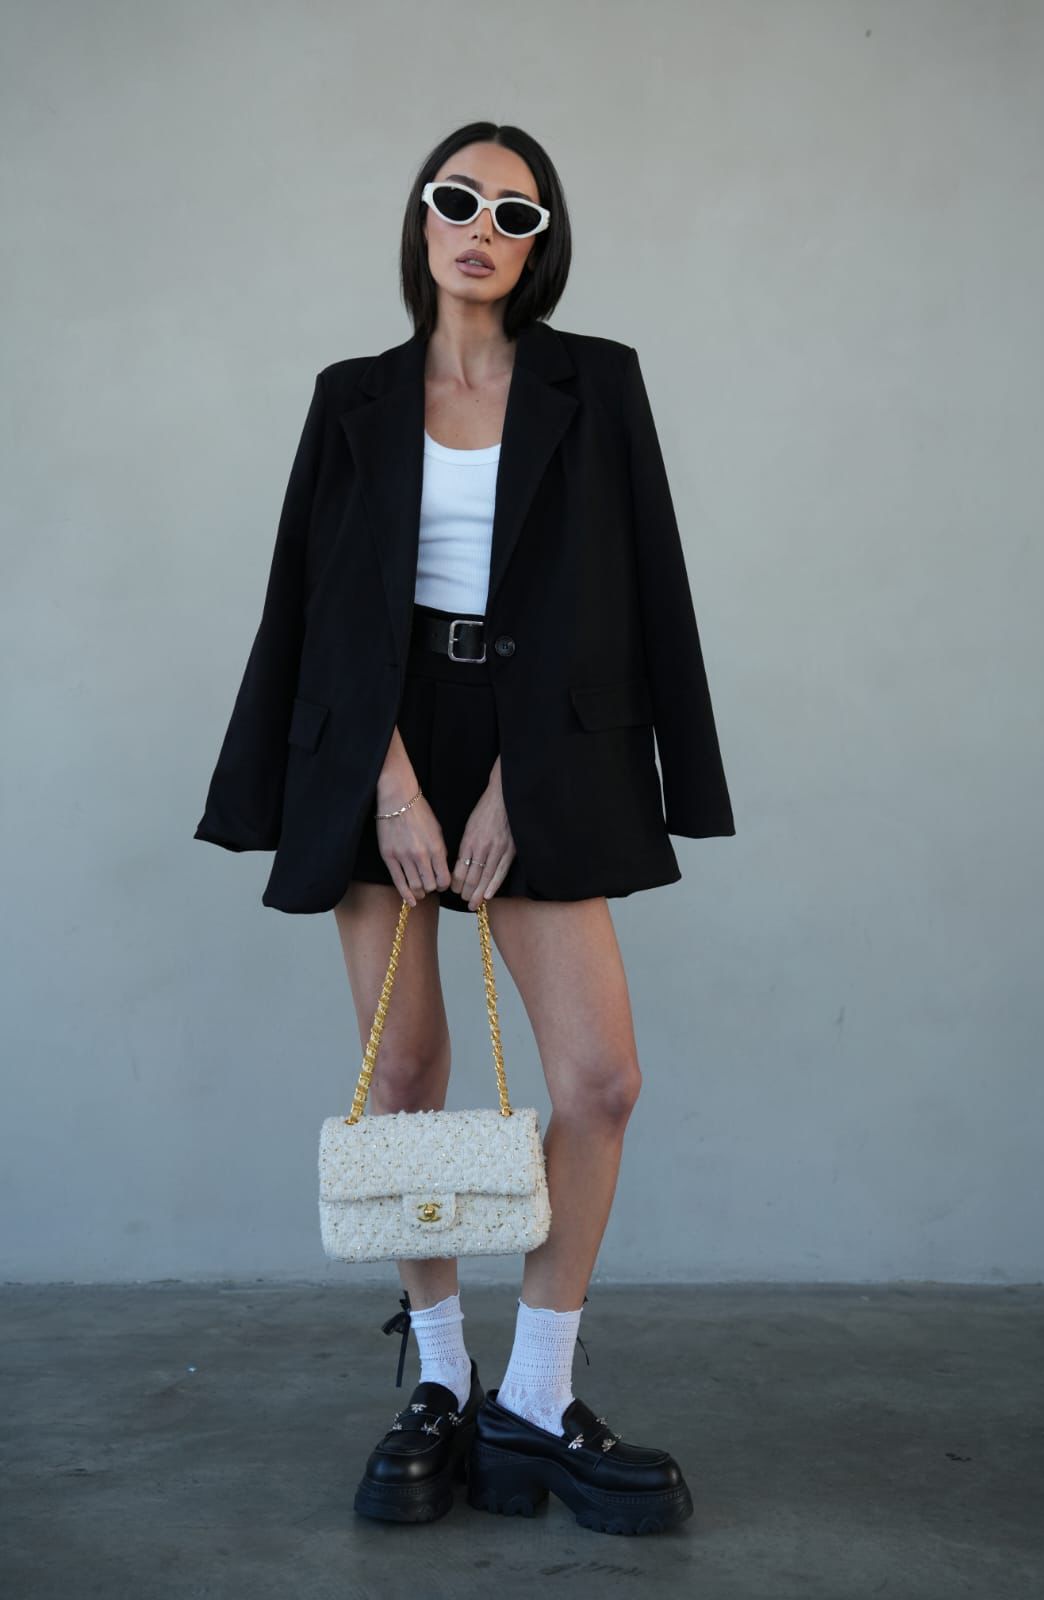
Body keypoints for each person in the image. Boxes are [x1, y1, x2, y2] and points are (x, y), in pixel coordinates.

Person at [194, 120, 734, 1536]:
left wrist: (519, 783)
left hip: (538, 736)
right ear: (420, 221)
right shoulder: (354, 396)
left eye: (515, 211)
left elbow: (629, 589)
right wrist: (387, 780)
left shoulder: (595, 383)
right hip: (381, 738)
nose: (482, 227)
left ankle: (535, 1397)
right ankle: (439, 1379)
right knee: (406, 1073)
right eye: (458, 200)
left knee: (598, 1080)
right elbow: (318, 600)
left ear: (542, 242)